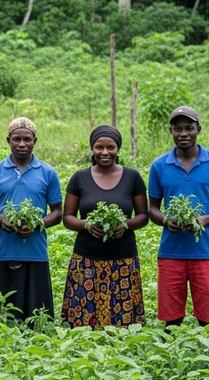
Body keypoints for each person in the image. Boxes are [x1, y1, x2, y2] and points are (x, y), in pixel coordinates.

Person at [148, 106, 209, 326]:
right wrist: (167, 220)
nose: (183, 133)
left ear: (199, 129)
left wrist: (204, 220)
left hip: (206, 252)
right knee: (171, 320)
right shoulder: (159, 166)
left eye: (189, 128)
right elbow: (153, 209)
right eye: (177, 129)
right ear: (171, 131)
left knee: (208, 319)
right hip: (170, 252)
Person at [61, 125, 148, 328]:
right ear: (92, 149)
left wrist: (125, 224)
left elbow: (143, 216)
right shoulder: (79, 178)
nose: (105, 152)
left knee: (123, 322)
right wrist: (87, 225)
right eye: (99, 147)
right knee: (82, 320)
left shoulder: (132, 177)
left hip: (123, 258)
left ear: (118, 149)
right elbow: (68, 217)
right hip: (86, 258)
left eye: (111, 147)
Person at [0, 116, 62, 320]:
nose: (22, 144)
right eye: (16, 139)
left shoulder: (48, 173)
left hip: (35, 251)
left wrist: (37, 223)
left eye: (27, 139)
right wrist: (1, 220)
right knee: (0, 313)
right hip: (3, 250)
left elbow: (57, 212)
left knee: (37, 313)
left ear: (35, 140)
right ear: (8, 140)